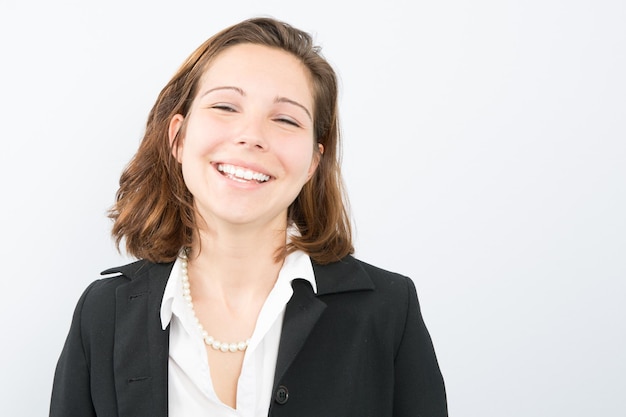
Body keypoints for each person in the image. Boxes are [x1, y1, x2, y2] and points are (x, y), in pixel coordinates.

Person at [49, 16, 447, 417]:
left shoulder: (389, 310)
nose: (251, 135)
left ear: (313, 160)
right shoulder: (104, 314)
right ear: (178, 137)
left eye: (286, 119)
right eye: (225, 106)